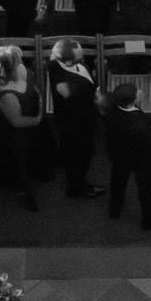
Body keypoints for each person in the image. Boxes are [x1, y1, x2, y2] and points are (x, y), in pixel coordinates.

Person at [0, 46, 47, 210]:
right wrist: (37, 119)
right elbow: (16, 121)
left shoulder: (20, 68)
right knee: (17, 157)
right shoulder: (2, 88)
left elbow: (32, 87)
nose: (21, 62)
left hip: (26, 119)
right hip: (8, 131)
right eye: (18, 60)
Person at [102, 83, 151, 229]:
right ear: (132, 100)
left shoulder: (113, 112)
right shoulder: (138, 122)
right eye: (137, 92)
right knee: (147, 188)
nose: (140, 92)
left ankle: (115, 210)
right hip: (142, 159)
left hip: (119, 155)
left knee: (118, 182)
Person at [47, 39, 103, 199]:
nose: (83, 57)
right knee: (79, 155)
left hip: (84, 117)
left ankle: (77, 182)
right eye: (79, 55)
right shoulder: (60, 74)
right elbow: (68, 94)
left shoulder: (64, 64)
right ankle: (76, 188)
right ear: (69, 61)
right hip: (75, 121)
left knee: (77, 153)